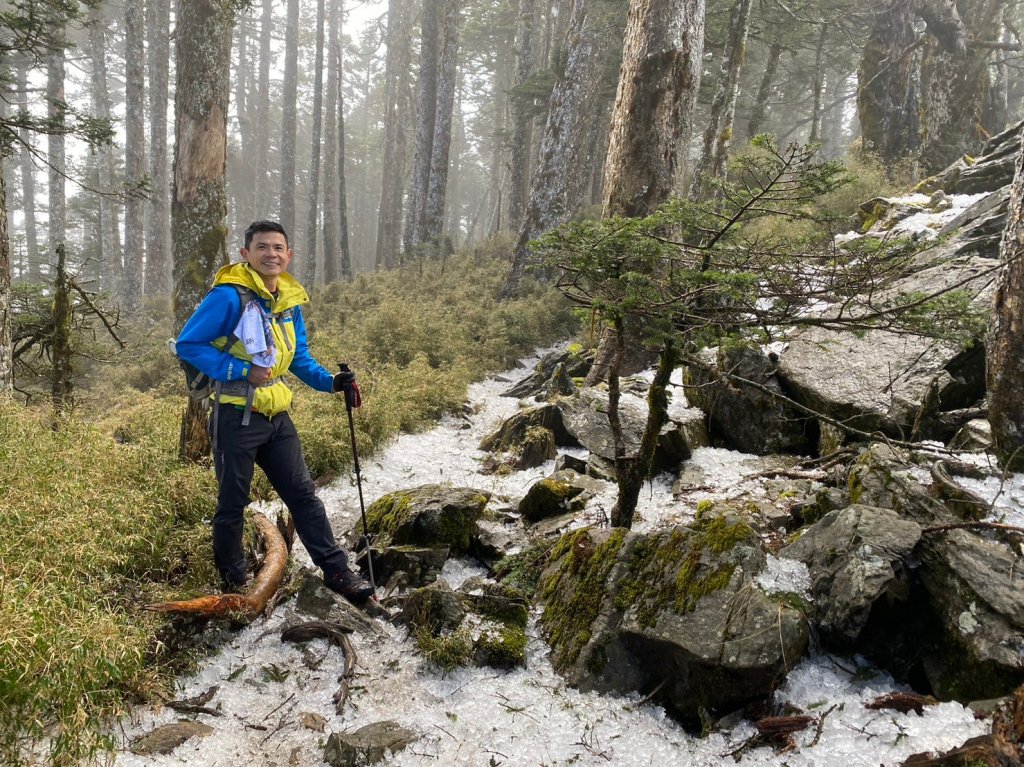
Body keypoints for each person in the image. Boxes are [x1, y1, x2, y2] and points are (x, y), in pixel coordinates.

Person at [176, 220, 373, 604]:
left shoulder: (287, 300)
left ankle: (336, 571)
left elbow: (298, 358)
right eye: (262, 247)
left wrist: (332, 382)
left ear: (288, 255)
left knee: (303, 496)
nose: (271, 254)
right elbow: (188, 344)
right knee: (233, 502)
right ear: (245, 254)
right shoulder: (229, 297)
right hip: (235, 417)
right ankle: (234, 585)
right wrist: (241, 370)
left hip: (277, 416)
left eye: (278, 248)